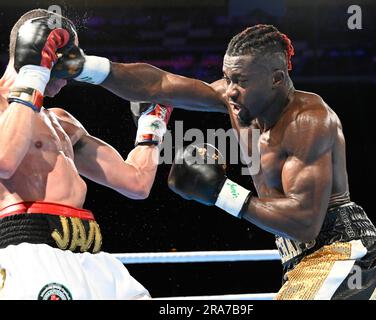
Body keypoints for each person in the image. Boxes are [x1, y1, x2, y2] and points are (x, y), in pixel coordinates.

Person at [0, 9, 226, 300]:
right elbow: (5, 161)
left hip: (89, 255)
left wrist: (152, 123)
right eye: (65, 54)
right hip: (32, 253)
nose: (71, 71)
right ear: (37, 49)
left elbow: (136, 183)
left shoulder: (62, 122)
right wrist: (34, 73)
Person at [166, 25, 376, 300]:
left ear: (275, 79)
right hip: (297, 259)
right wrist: (97, 69)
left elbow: (306, 224)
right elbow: (159, 83)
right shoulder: (237, 105)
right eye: (227, 79)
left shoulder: (307, 119)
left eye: (242, 80)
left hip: (340, 248)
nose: (230, 91)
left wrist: (222, 193)